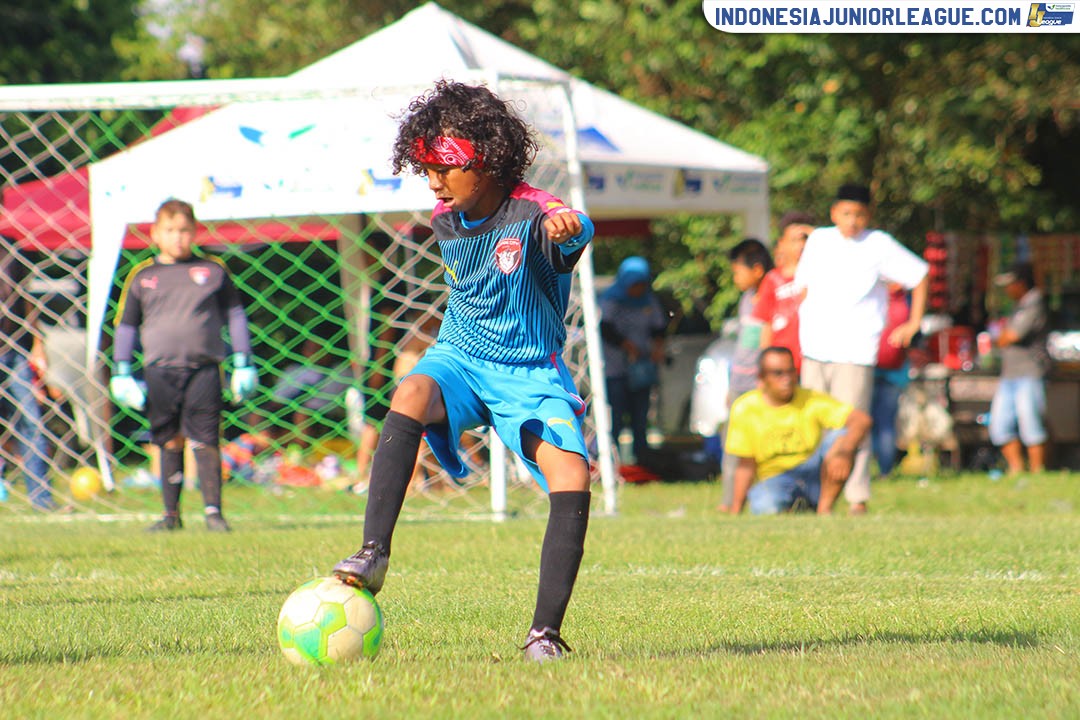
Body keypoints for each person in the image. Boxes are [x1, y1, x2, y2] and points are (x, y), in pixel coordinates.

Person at [332, 80, 595, 663]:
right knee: (413, 387)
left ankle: (543, 636)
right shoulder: (446, 219)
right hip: (461, 357)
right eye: (423, 166)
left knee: (572, 476)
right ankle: (374, 551)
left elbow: (567, 223)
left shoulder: (537, 215)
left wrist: (567, 222)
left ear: (491, 157)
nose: (433, 180)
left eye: (444, 166)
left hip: (530, 372)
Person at [110, 198, 258, 532]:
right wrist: (121, 370)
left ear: (195, 232)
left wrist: (243, 360)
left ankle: (213, 513)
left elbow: (235, 316)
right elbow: (127, 326)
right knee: (168, 439)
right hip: (159, 371)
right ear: (156, 234)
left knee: (206, 438)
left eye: (184, 230)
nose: (178, 237)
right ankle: (170, 515)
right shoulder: (143, 276)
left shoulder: (214, 271)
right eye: (170, 230)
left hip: (204, 369)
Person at [793, 183, 928, 514]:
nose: (852, 221)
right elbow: (802, 285)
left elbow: (919, 275)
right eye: (846, 213)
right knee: (813, 425)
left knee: (854, 426)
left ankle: (856, 496)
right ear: (834, 213)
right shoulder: (820, 241)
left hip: (855, 350)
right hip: (815, 347)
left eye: (859, 214)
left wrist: (913, 323)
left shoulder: (878, 244)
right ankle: (813, 493)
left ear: (869, 215)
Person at [725, 346, 872, 515]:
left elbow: (861, 420)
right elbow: (745, 465)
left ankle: (824, 511)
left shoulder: (810, 398)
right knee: (766, 507)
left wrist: (845, 450)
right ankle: (795, 507)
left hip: (814, 472)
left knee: (841, 438)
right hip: (775, 478)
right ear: (761, 378)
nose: (786, 379)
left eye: (791, 372)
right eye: (778, 373)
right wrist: (736, 511)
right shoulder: (745, 408)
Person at [0, 240, 59, 511]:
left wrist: (37, 344)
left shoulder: (13, 251)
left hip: (13, 351)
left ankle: (41, 499)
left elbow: (27, 300)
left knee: (31, 422)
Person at [717, 238, 772, 511]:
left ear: (757, 270)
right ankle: (730, 502)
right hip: (739, 383)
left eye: (738, 271)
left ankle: (758, 499)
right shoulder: (746, 299)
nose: (735, 277)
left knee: (758, 446)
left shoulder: (770, 298)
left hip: (760, 384)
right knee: (732, 444)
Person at [599, 256, 668, 466]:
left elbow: (659, 328)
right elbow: (605, 329)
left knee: (640, 417)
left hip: (640, 369)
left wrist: (657, 349)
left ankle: (642, 461)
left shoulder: (648, 301)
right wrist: (627, 345)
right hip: (614, 369)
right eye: (634, 284)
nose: (637, 289)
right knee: (616, 417)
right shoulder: (610, 300)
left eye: (641, 284)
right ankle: (613, 462)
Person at [988, 261, 1050, 474]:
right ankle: (1016, 469)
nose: (1007, 290)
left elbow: (1010, 336)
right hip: (1010, 374)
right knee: (999, 426)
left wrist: (1000, 337)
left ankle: (1037, 471)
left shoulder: (1034, 304)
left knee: (1031, 425)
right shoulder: (1019, 306)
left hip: (1029, 374)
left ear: (1021, 283)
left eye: (1010, 284)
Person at [753, 210, 816, 372]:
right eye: (795, 240)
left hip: (816, 361)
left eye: (806, 239)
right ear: (782, 243)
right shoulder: (773, 279)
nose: (801, 245)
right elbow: (766, 325)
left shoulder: (821, 275)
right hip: (783, 368)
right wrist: (765, 365)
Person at [870, 283, 912, 478]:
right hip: (890, 369)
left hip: (877, 367)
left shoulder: (872, 294)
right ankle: (883, 470)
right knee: (884, 422)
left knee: (878, 422)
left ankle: (879, 468)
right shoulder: (908, 301)